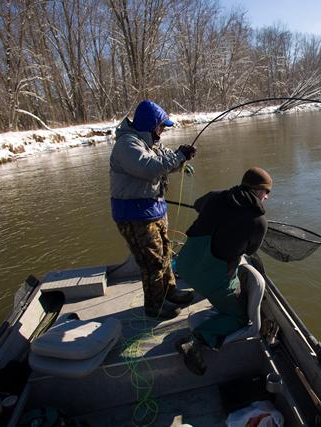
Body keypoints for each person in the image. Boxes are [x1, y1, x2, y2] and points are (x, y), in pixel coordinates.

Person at [175, 167, 272, 375]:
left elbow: (198, 205)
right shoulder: (259, 221)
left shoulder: (215, 196)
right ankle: (195, 340)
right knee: (240, 318)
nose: (267, 197)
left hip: (184, 265)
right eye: (267, 192)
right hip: (211, 279)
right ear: (258, 191)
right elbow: (250, 250)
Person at [110, 100, 197, 319]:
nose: (162, 131)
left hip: (153, 210)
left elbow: (164, 160)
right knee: (153, 262)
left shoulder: (149, 143)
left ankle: (170, 291)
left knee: (165, 253)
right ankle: (154, 306)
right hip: (135, 215)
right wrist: (178, 157)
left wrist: (181, 157)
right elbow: (150, 169)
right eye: (160, 127)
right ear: (150, 125)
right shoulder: (127, 144)